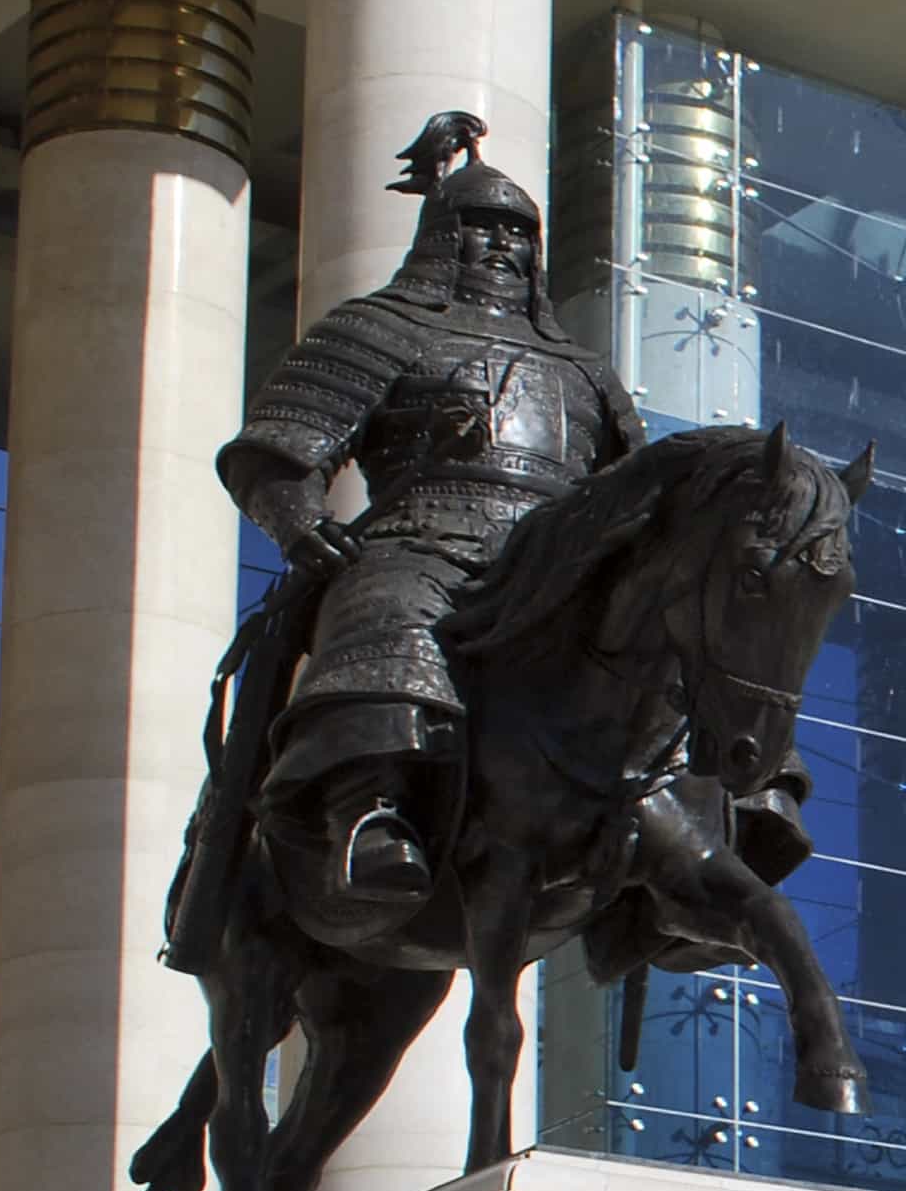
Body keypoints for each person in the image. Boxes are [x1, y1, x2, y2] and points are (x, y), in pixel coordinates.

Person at [215, 114, 644, 921]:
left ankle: (708, 837)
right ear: (440, 239)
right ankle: (369, 806)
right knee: (390, 608)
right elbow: (276, 450)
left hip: (556, 561)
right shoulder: (379, 327)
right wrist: (303, 524)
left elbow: (631, 487)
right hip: (420, 537)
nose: (501, 246)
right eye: (479, 228)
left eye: (517, 232)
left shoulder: (586, 370)